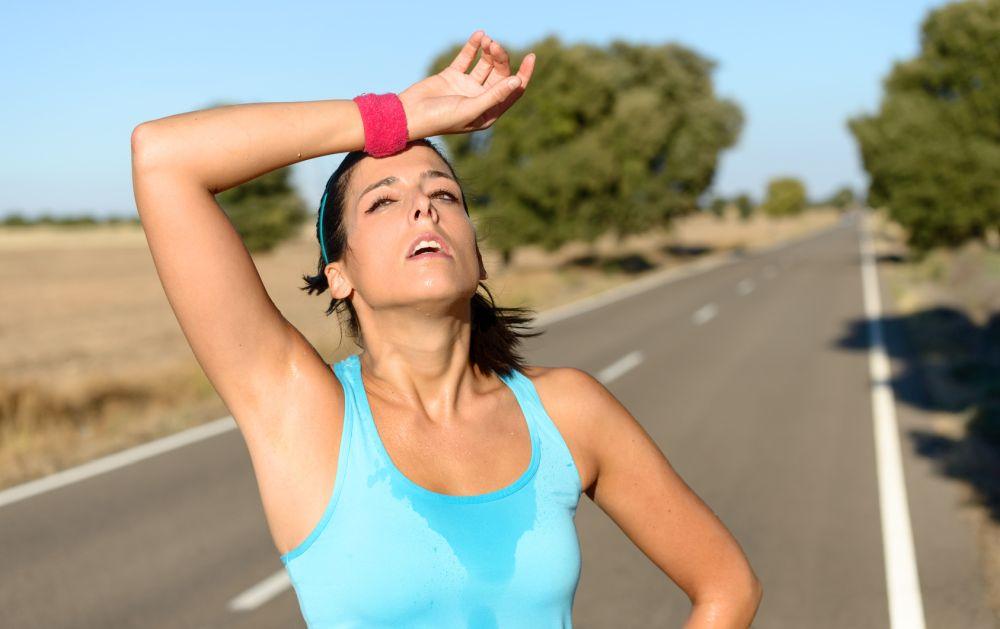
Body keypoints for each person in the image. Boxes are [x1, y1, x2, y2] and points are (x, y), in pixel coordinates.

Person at [131, 29, 761, 628]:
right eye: (383, 200)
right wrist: (397, 117)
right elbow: (163, 158)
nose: (423, 205)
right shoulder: (306, 414)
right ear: (340, 274)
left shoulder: (569, 410)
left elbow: (727, 586)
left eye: (445, 194)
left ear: (477, 255)